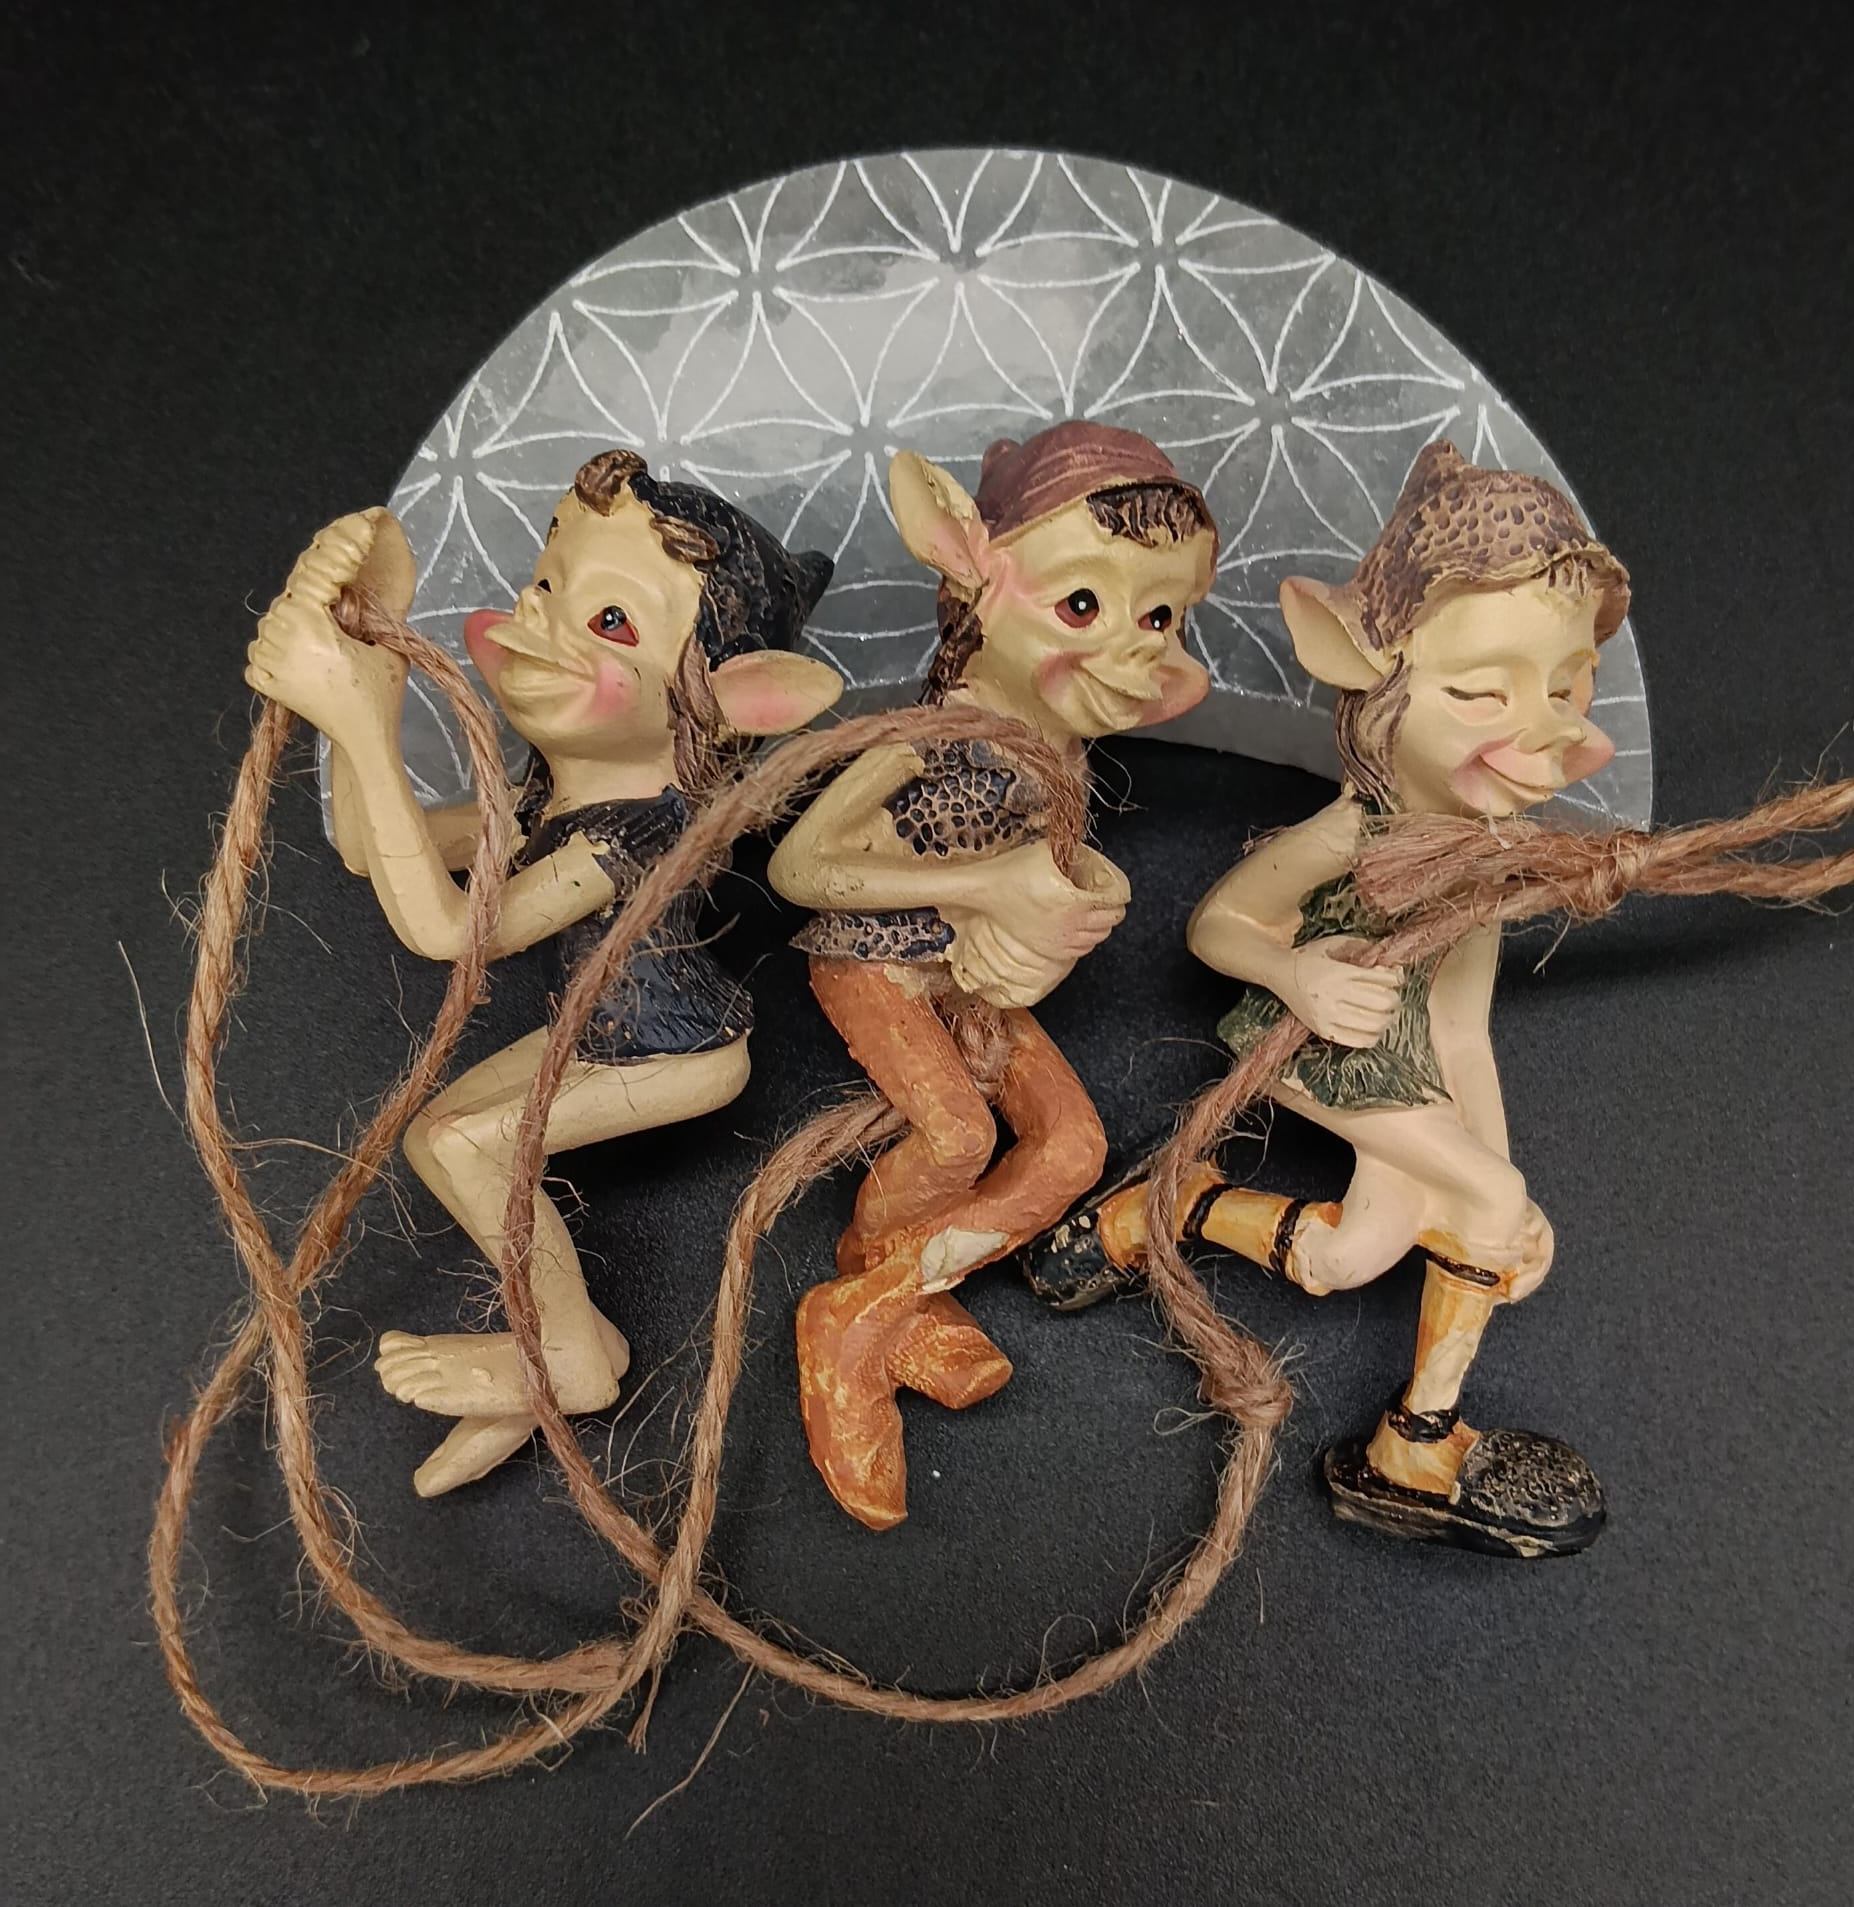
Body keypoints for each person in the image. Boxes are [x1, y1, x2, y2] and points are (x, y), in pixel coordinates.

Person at [1020, 440, 1628, 1557]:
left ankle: (1159, 1211)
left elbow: (1459, 1027)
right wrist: (1299, 972)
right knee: (1488, 1206)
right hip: (1317, 1036)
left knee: (1352, 1256)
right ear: (1370, 674)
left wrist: (1489, 1171)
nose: (1545, 726)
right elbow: (1218, 926)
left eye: (1564, 687)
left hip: (1400, 1056)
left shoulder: (1492, 857)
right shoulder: (1356, 830)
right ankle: (1416, 1441)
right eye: (1480, 690)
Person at [244, 449, 841, 1495]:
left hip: (671, 1047)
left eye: (610, 621)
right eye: (548, 584)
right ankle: (568, 1351)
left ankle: (565, 1358)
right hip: (608, 1031)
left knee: (464, 1143)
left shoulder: (632, 830)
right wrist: (369, 678)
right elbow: (372, 849)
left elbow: (451, 933)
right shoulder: (551, 798)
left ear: (730, 701)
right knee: (441, 1137)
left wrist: (362, 725)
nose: (538, 617)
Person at [767, 421, 1217, 1528]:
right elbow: (799, 868)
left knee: (1074, 1147)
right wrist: (987, 889)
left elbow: (1036, 876)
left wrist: (1061, 906)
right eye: (1084, 603)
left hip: (966, 978)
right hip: (876, 961)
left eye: (1159, 617)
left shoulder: (1061, 744)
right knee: (958, 1136)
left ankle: (872, 1303)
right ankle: (871, 1324)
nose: (1139, 649)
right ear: (972, 570)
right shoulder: (936, 733)